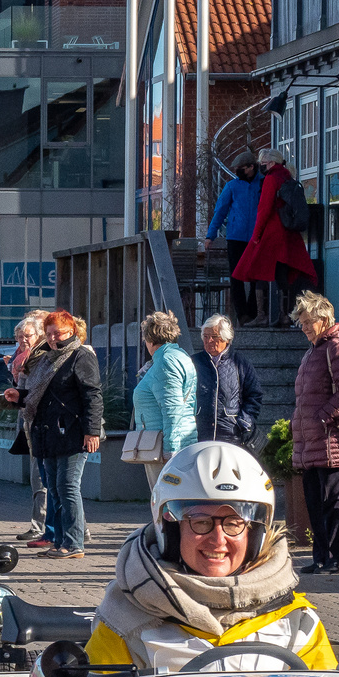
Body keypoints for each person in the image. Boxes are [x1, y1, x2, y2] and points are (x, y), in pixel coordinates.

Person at [84, 441, 337, 673]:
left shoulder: (297, 622)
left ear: (255, 534)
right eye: (200, 521)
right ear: (169, 530)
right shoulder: (123, 622)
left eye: (234, 523)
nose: (218, 539)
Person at [0, 310, 102, 559]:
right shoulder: (46, 358)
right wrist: (18, 396)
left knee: (68, 487)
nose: (54, 338)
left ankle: (75, 543)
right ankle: (62, 541)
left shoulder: (81, 356)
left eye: (60, 333)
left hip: (73, 433)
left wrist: (92, 431)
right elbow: (36, 393)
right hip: (48, 432)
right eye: (50, 333)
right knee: (54, 488)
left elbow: (92, 395)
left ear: (72, 331)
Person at [289, 292, 339, 575]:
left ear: (323, 319)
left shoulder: (336, 346)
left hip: (335, 441)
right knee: (316, 502)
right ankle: (322, 557)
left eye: (309, 321)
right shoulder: (315, 350)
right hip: (315, 441)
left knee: (335, 503)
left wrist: (324, 416)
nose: (305, 327)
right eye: (302, 322)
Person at [0, 309, 50, 545]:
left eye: (27, 336)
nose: (22, 341)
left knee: (43, 480)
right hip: (31, 426)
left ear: (39, 335)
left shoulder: (41, 359)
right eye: (19, 337)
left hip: (44, 427)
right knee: (41, 479)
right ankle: (62, 528)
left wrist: (12, 390)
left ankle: (45, 528)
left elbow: (32, 395)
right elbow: (19, 397)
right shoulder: (23, 359)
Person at [234, 148, 317, 328]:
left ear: (270, 163)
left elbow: (264, 210)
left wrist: (256, 236)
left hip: (272, 234)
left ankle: (262, 315)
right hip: (288, 235)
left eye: (262, 163)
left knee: (258, 272)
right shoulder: (288, 177)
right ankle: (285, 315)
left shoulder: (271, 179)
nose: (260, 167)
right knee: (282, 275)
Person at [131, 311, 198, 489]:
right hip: (174, 439)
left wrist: (170, 450)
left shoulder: (166, 361)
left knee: (165, 500)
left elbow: (172, 409)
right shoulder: (179, 356)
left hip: (163, 444)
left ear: (150, 339)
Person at [204, 153, 263, 325]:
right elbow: (220, 212)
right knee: (236, 277)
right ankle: (242, 315)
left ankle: (253, 313)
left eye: (240, 169)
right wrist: (210, 235)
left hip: (256, 238)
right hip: (236, 238)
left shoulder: (263, 184)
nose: (237, 172)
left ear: (251, 167)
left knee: (255, 277)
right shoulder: (232, 186)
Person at [193, 314, 265, 445]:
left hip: (230, 437)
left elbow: (254, 395)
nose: (209, 341)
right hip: (199, 435)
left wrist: (244, 422)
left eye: (214, 337)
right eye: (205, 336)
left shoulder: (240, 363)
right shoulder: (193, 362)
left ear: (226, 338)